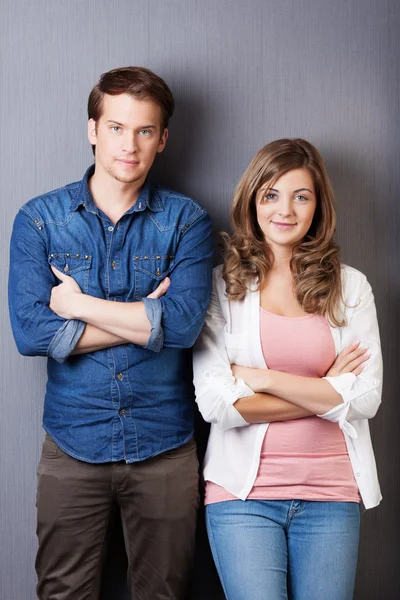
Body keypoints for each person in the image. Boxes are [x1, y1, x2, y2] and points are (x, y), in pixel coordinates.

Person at [8, 66, 213, 600]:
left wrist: (77, 306)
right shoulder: (39, 220)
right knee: (61, 594)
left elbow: (186, 325)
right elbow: (31, 332)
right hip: (72, 443)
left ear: (163, 138)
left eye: (145, 130)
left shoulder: (186, 221)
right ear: (93, 129)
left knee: (163, 594)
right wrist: (148, 319)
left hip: (165, 447)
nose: (130, 144)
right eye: (117, 127)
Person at [193, 138, 382, 600]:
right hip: (242, 499)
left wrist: (263, 380)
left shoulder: (351, 286)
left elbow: (365, 399)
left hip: (332, 497)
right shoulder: (223, 285)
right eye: (271, 195)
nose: (286, 210)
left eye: (302, 196)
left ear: (318, 206)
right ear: (253, 201)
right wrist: (323, 391)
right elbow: (217, 404)